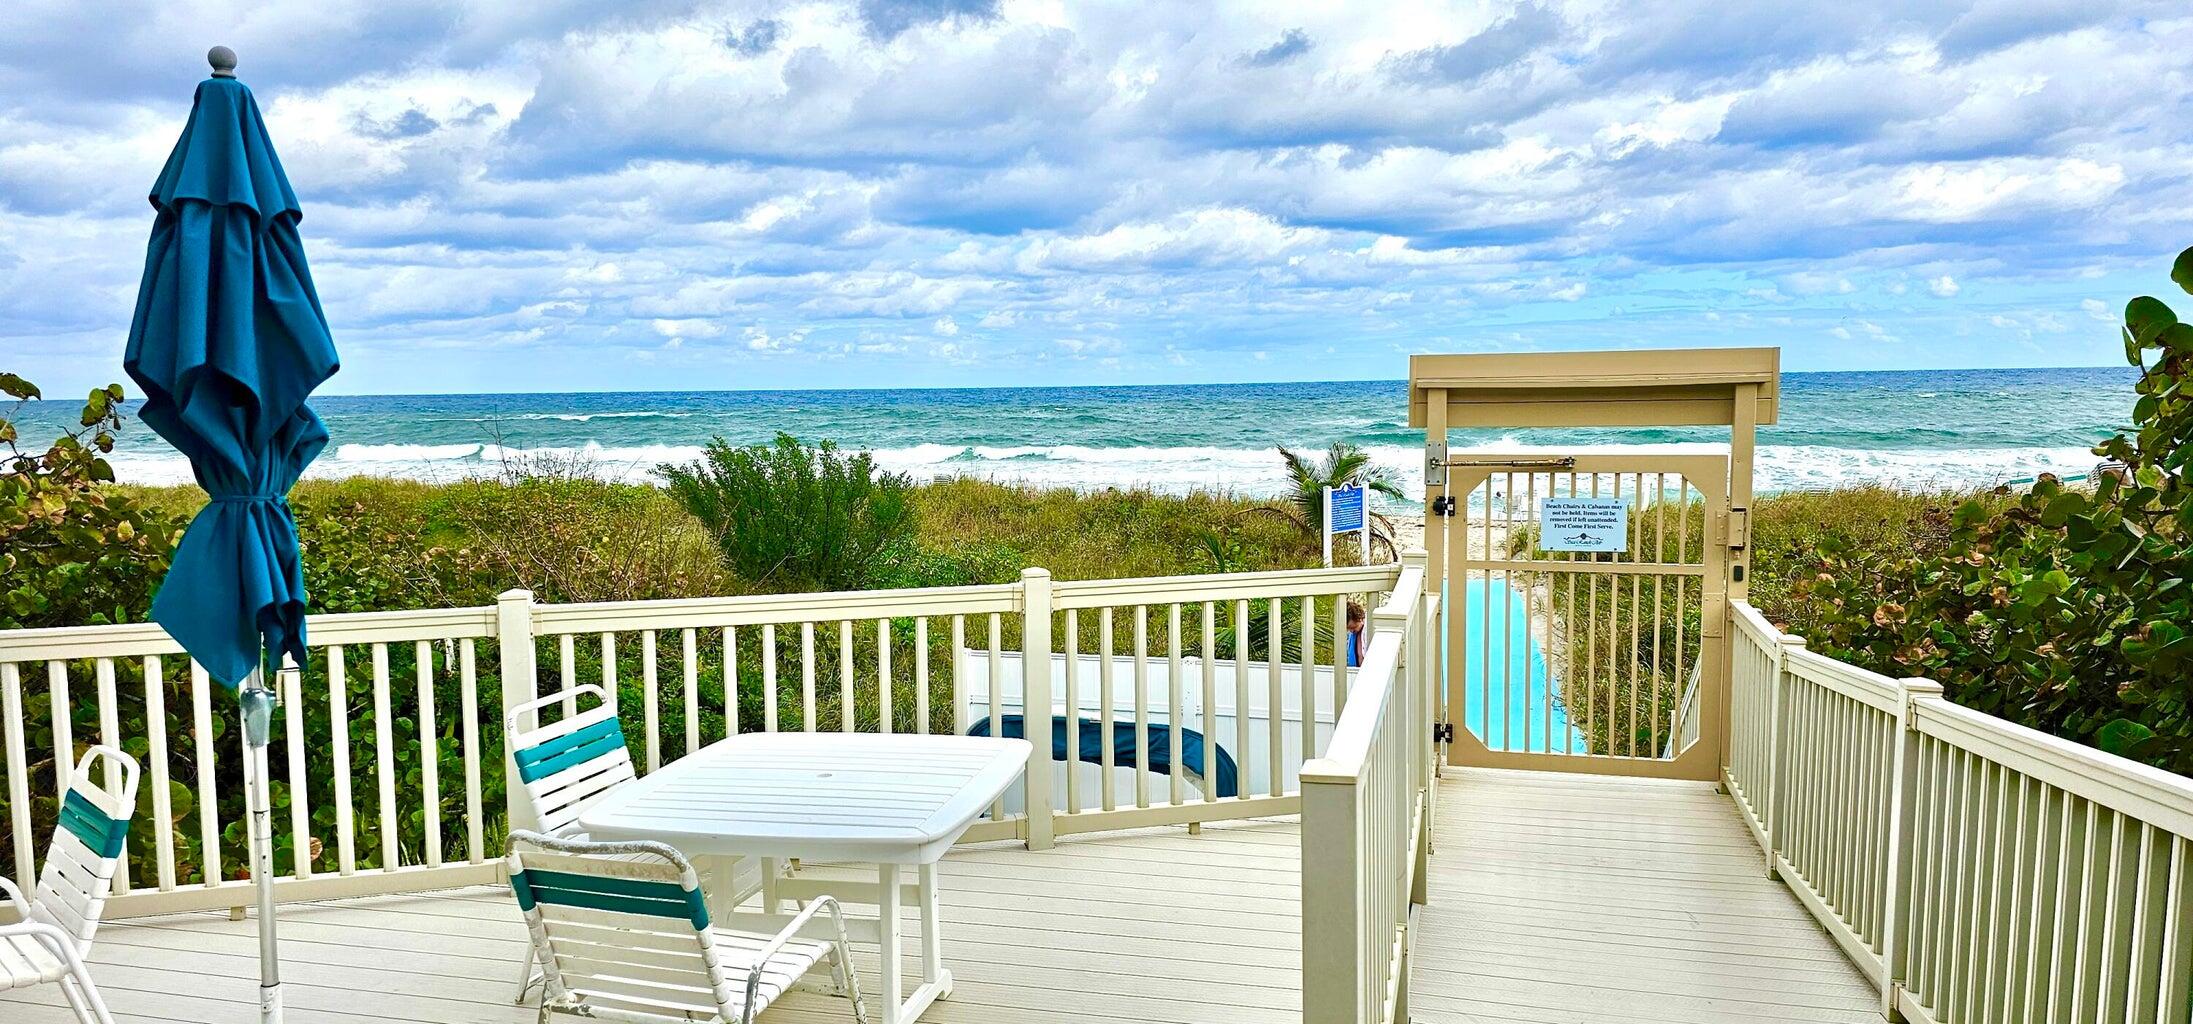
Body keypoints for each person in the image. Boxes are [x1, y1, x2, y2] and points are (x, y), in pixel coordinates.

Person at [1346, 600, 1365, 667]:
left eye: (1353, 627)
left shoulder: (1367, 629)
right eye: (1348, 629)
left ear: (1358, 618)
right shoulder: (1351, 636)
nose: (1351, 631)